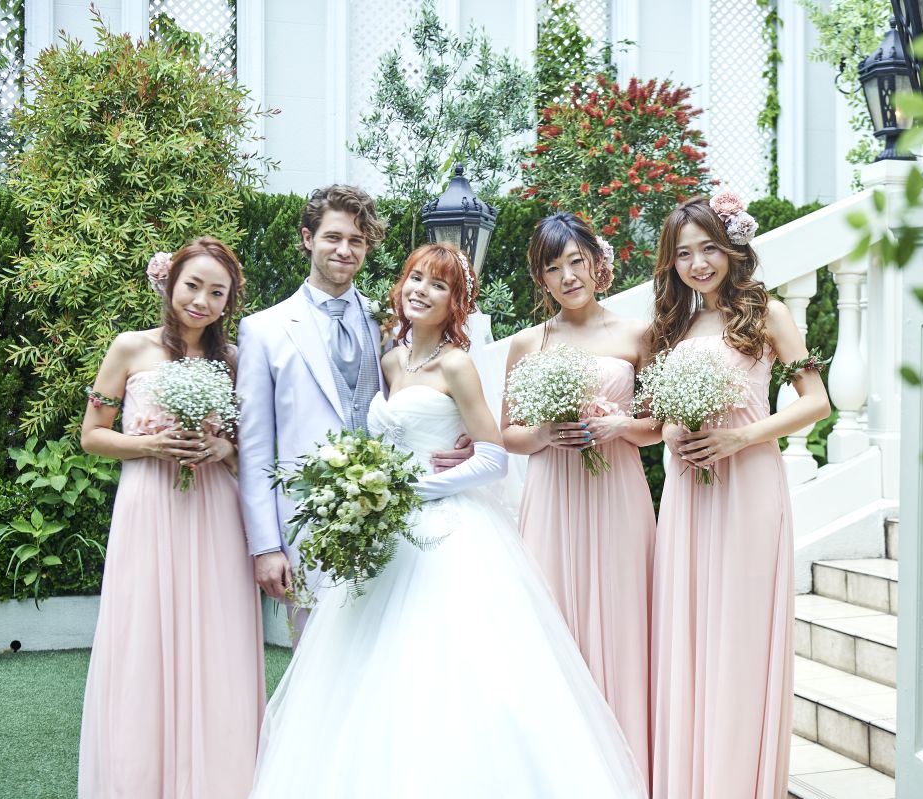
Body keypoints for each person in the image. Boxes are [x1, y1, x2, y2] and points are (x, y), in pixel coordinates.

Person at [250, 243, 646, 798]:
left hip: (449, 532)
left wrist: (410, 490)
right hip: (390, 534)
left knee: (452, 666)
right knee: (374, 672)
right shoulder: (391, 360)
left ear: (455, 301)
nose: (422, 291)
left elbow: (492, 457)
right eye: (416, 278)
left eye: (438, 285)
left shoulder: (456, 365)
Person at [649, 195, 830, 799]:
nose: (698, 264)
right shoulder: (674, 326)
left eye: (709, 249)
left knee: (740, 632)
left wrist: (741, 437)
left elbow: (817, 402)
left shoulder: (768, 313)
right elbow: (660, 413)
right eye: (684, 254)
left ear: (731, 249)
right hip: (687, 489)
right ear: (671, 263)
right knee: (689, 630)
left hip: (748, 482)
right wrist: (674, 432)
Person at [78, 238, 265, 798]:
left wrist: (224, 450)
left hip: (214, 508)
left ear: (229, 301)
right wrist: (150, 445)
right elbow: (92, 437)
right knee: (143, 635)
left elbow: (250, 447)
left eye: (217, 292)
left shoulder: (234, 361)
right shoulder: (129, 348)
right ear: (170, 283)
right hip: (148, 506)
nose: (202, 301)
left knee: (218, 638)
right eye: (193, 286)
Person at [236, 185, 468, 634]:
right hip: (308, 526)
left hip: (393, 524)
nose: (345, 250)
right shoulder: (263, 330)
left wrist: (463, 440)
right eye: (333, 237)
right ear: (308, 239)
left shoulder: (392, 320)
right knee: (315, 658)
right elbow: (255, 447)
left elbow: (430, 391)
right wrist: (265, 546)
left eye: (356, 241)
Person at [501, 212, 657, 780]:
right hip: (553, 497)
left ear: (596, 263)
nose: (567, 276)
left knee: (622, 618)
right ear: (541, 278)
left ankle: (627, 770)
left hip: (617, 492)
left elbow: (659, 426)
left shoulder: (637, 335)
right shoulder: (529, 343)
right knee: (554, 622)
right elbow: (508, 434)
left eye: (575, 261)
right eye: (553, 268)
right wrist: (545, 433)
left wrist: (620, 425)